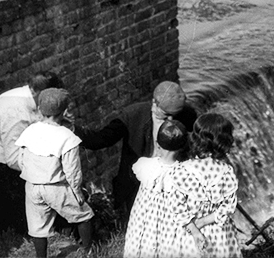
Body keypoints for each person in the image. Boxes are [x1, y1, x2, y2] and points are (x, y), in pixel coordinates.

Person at [0, 71, 63, 251]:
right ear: (34, 90)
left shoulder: (33, 98)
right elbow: (13, 158)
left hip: (6, 158)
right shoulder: (15, 111)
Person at [77, 81, 198, 213]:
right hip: (137, 182)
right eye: (165, 114)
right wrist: (72, 129)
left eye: (173, 115)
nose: (170, 120)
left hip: (171, 180)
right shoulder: (132, 115)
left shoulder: (188, 115)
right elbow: (102, 139)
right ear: (154, 103)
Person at [16, 88, 95, 258]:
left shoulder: (30, 130)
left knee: (38, 226)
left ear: (39, 109)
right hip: (56, 187)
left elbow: (20, 160)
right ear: (65, 111)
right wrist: (77, 191)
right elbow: (72, 170)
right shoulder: (67, 137)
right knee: (83, 214)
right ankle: (89, 251)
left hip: (31, 186)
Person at [170, 112, 241, 258]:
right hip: (220, 234)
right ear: (224, 141)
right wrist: (204, 221)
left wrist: (195, 230)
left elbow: (177, 208)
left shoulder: (181, 171)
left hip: (189, 233)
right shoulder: (225, 172)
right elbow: (228, 207)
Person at [123, 120, 193, 258]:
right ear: (184, 146)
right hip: (171, 224)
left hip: (144, 221)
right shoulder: (186, 173)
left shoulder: (145, 166)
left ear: (157, 144)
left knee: (143, 244)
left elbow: (135, 174)